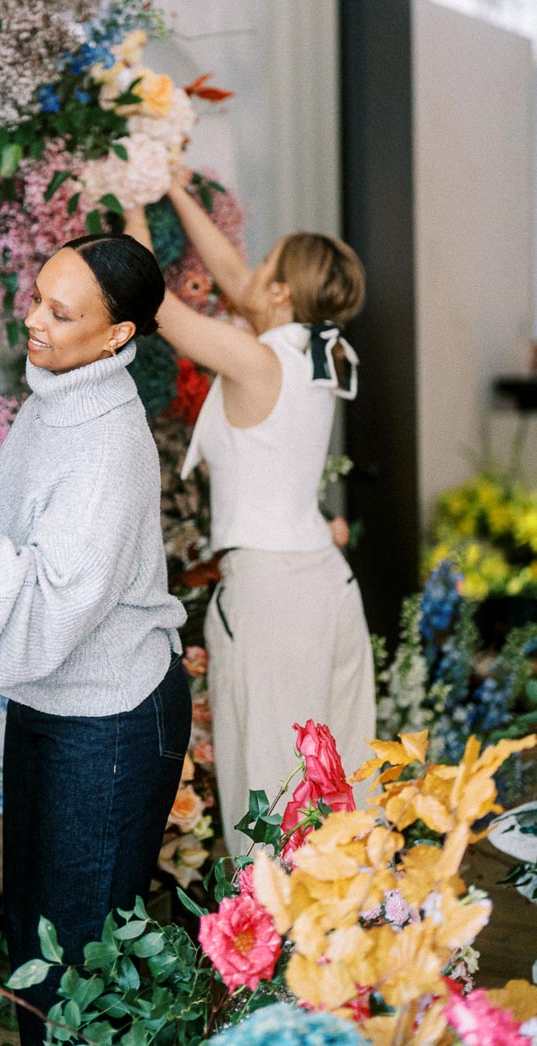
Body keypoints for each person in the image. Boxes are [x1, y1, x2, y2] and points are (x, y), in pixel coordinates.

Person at [0, 234, 190, 1046]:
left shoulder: (109, 444)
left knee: (77, 967)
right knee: (36, 941)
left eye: (61, 311)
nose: (35, 321)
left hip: (112, 722)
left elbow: (54, 604)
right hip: (54, 703)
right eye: (36, 298)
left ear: (118, 333)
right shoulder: (57, 397)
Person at [125, 179, 376, 851]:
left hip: (272, 597)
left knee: (268, 782)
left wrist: (127, 200)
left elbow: (152, 303)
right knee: (342, 772)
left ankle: (273, 941)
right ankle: (352, 929)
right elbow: (237, 282)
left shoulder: (257, 361)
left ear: (281, 295)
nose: (249, 269)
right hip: (329, 585)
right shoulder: (324, 351)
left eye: (266, 266)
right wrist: (172, 186)